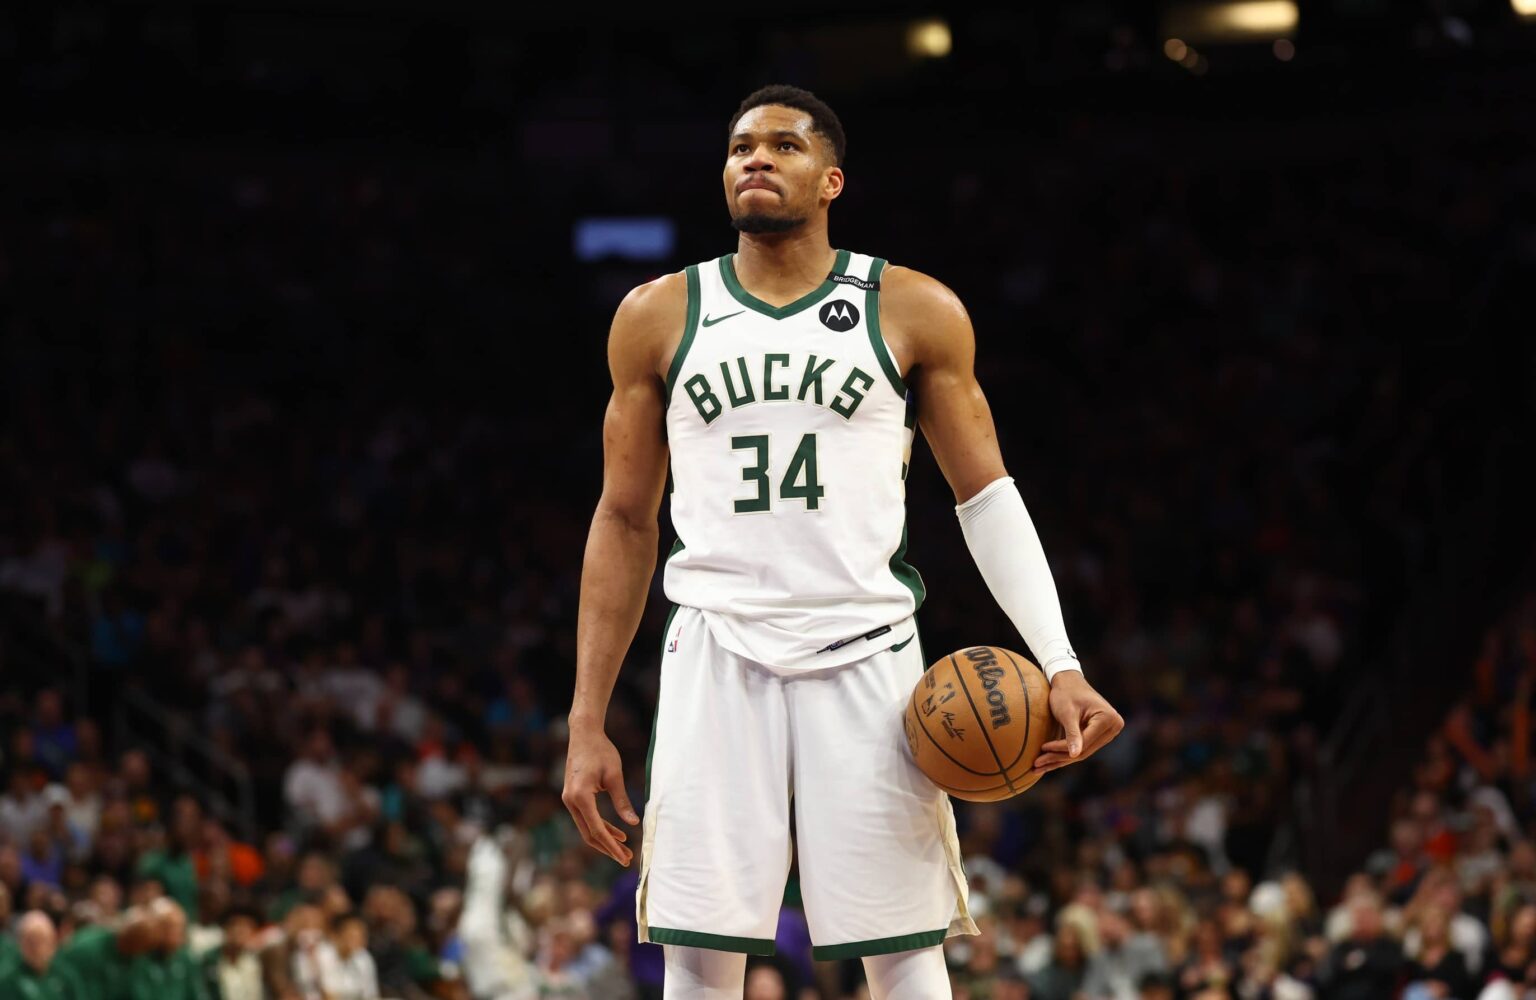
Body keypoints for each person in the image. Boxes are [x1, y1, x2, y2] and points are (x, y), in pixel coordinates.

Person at [562, 83, 1124, 999]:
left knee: (902, 950)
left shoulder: (913, 306)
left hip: (867, 651)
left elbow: (986, 496)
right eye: (741, 146)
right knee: (698, 952)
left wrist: (1059, 662)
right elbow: (623, 519)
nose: (755, 158)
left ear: (832, 180)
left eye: (783, 145)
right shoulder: (658, 314)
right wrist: (586, 719)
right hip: (715, 649)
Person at [0, 910, 76, 1000]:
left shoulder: (65, 975)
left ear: (53, 943)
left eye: (42, 940)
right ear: (20, 944)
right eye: (30, 942)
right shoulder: (8, 979)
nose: (37, 948)